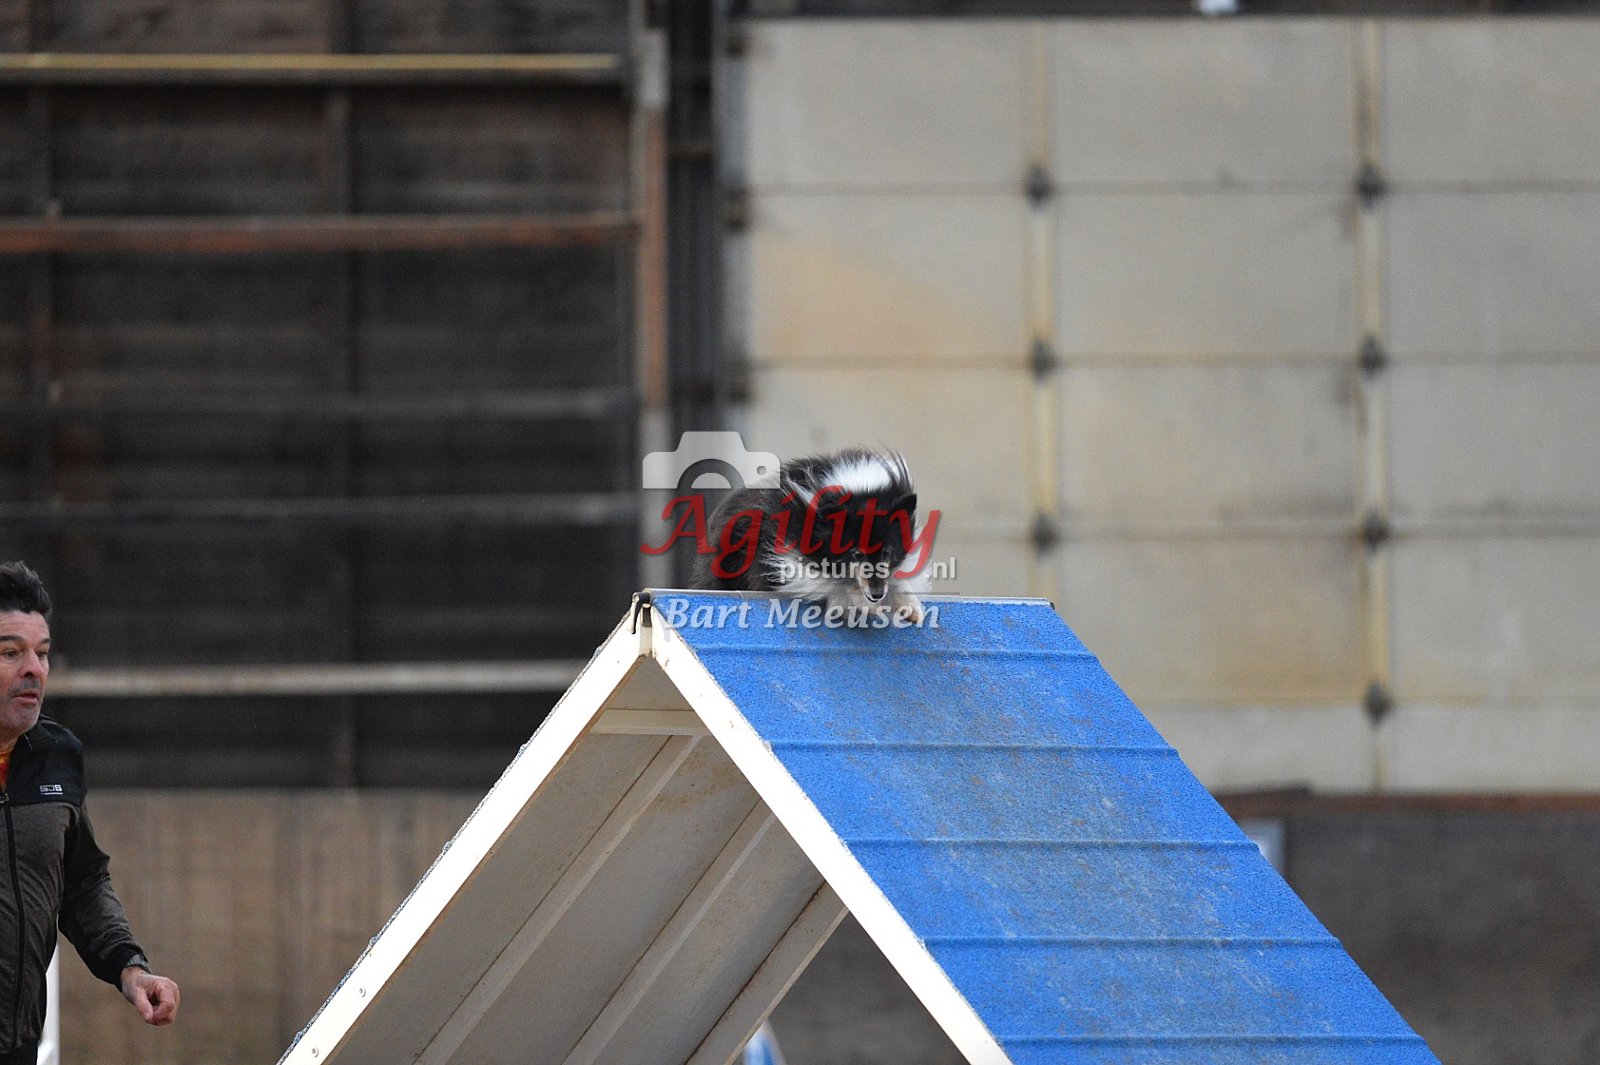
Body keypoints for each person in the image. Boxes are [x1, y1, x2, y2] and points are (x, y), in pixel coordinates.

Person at [0, 561, 179, 1064]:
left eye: (42, 653)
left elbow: (80, 883)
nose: (34, 669)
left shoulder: (57, 755)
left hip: (18, 1047)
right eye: (11, 653)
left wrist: (130, 969)